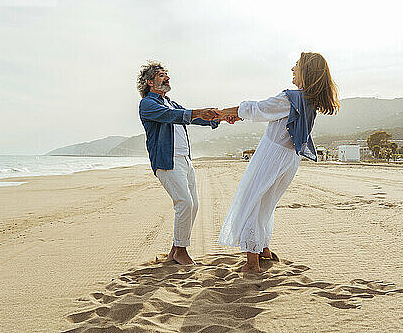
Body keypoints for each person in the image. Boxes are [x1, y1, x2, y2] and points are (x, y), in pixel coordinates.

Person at [216, 52, 340, 272]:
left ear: (306, 71)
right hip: (289, 158)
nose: (292, 68)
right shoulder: (309, 101)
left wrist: (223, 113)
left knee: (253, 199)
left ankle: (252, 260)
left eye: (296, 65)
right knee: (267, 202)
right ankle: (263, 248)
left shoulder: (291, 98)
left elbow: (259, 109)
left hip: (272, 155)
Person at [137, 61, 227, 265]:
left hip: (185, 160)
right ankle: (181, 251)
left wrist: (218, 119)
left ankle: (174, 250)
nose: (167, 78)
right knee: (184, 203)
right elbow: (173, 116)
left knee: (193, 205)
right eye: (161, 75)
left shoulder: (170, 102)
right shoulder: (148, 104)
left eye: (167, 74)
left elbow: (190, 118)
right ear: (150, 82)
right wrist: (197, 112)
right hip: (167, 161)